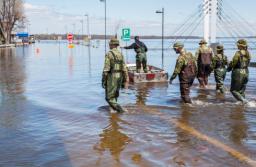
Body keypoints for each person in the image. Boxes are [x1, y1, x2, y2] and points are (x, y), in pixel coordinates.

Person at [102, 38, 129, 112]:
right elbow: (124, 67)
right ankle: (114, 113)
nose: (109, 45)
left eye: (110, 44)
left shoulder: (109, 54)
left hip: (112, 77)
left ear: (112, 44)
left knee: (109, 98)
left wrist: (103, 80)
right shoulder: (120, 54)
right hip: (119, 77)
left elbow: (106, 69)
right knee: (115, 95)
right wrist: (126, 78)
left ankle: (121, 111)